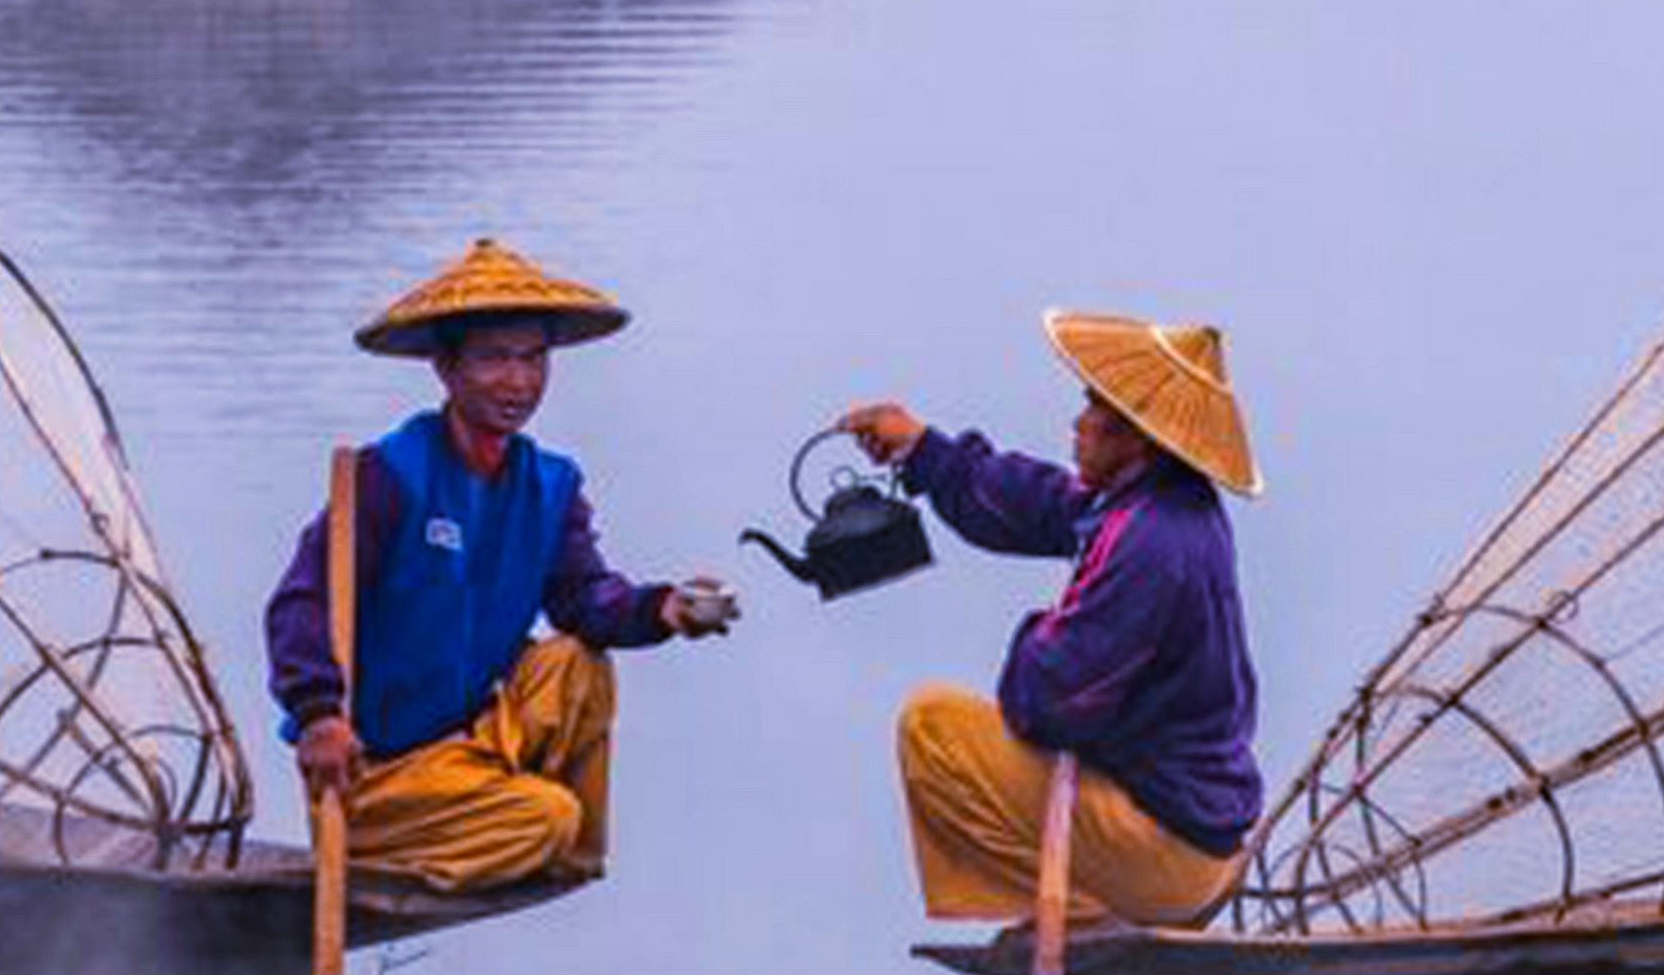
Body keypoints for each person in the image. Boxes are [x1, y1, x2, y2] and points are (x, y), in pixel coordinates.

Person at [270, 238, 734, 891]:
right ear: (446, 369)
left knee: (578, 663)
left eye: (533, 359)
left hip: (468, 741)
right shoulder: (387, 477)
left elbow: (584, 599)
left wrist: (666, 608)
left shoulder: (549, 484)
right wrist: (319, 716)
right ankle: (426, 845)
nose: (519, 382)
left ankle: (553, 847)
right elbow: (299, 603)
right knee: (546, 816)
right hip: (371, 772)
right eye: (494, 359)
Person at [835, 313, 1264, 928]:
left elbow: (1046, 700)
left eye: (1093, 406)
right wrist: (920, 447)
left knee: (931, 727)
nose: (1077, 422)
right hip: (1190, 828)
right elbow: (1038, 502)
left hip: (1168, 853)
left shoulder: (1150, 543)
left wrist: (1044, 626)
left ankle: (1086, 906)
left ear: (1137, 434)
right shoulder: (1162, 503)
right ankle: (1092, 896)